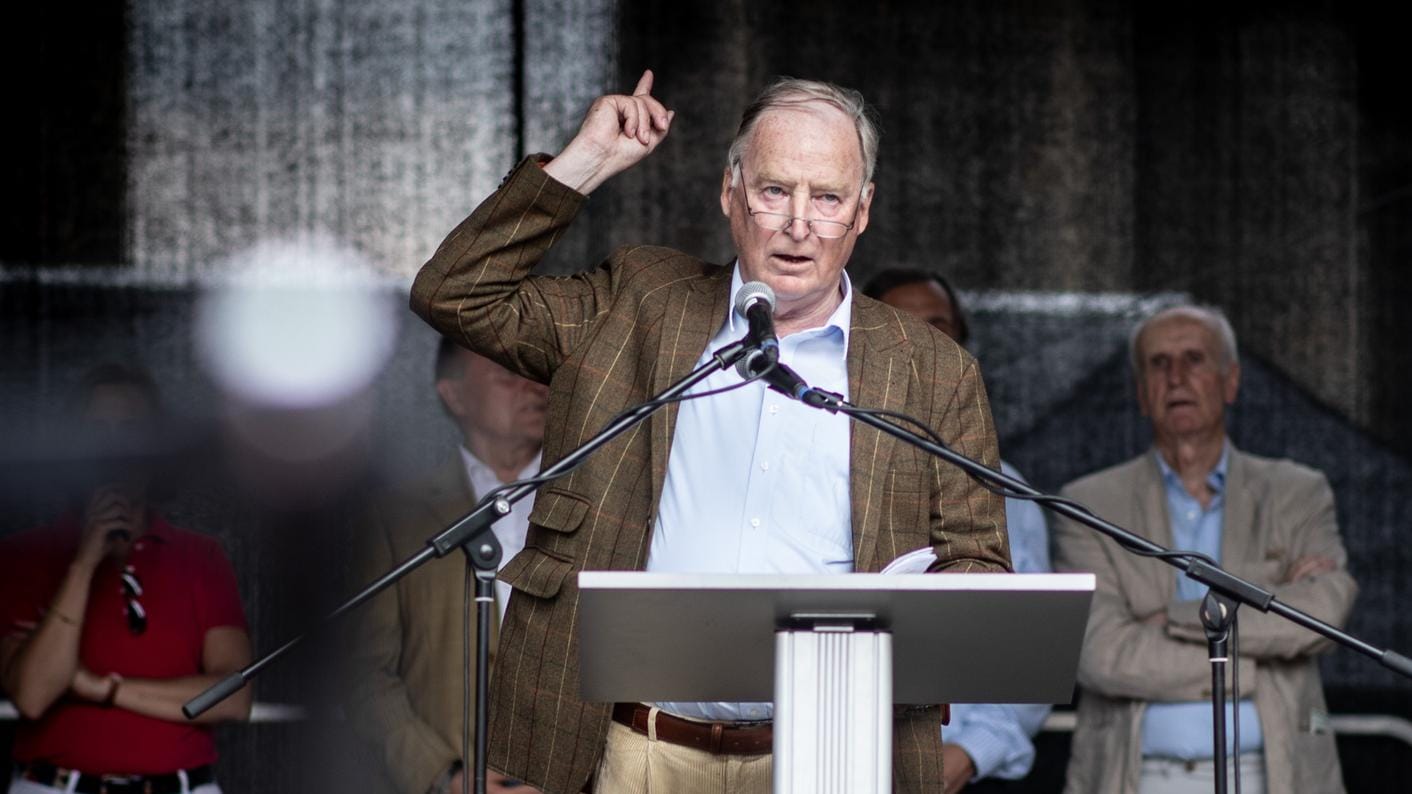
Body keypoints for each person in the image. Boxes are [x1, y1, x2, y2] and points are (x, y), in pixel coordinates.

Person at [409, 70, 1010, 794]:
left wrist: (911, 612)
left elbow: (978, 564)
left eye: (827, 198)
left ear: (862, 211)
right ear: (731, 195)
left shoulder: (934, 371)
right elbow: (456, 292)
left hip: (830, 754)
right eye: (774, 191)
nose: (799, 224)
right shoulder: (638, 303)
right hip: (636, 747)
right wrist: (583, 165)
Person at [1051, 305, 1357, 794]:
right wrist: (1260, 646)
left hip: (1274, 774)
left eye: (1194, 359)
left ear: (1230, 382)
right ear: (1140, 393)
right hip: (1135, 776)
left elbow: (1323, 610)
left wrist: (1170, 617)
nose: (1176, 377)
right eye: (1158, 363)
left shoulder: (1297, 491)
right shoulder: (1088, 503)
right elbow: (1098, 653)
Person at [0, 364, 252, 794]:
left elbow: (233, 698)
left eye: (132, 429)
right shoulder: (24, 555)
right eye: (98, 430)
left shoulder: (201, 557)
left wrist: (100, 688)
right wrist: (84, 563)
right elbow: (33, 695)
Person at [866, 268, 1051, 792]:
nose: (924, 343)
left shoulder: (1005, 488)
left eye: (939, 327)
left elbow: (1031, 645)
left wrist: (970, 752)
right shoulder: (821, 469)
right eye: (901, 325)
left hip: (963, 772)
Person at [346, 338, 548, 794]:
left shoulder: (595, 505)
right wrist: (442, 775)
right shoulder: (399, 516)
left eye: (538, 373)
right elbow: (364, 672)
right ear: (453, 395)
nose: (534, 387)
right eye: (508, 376)